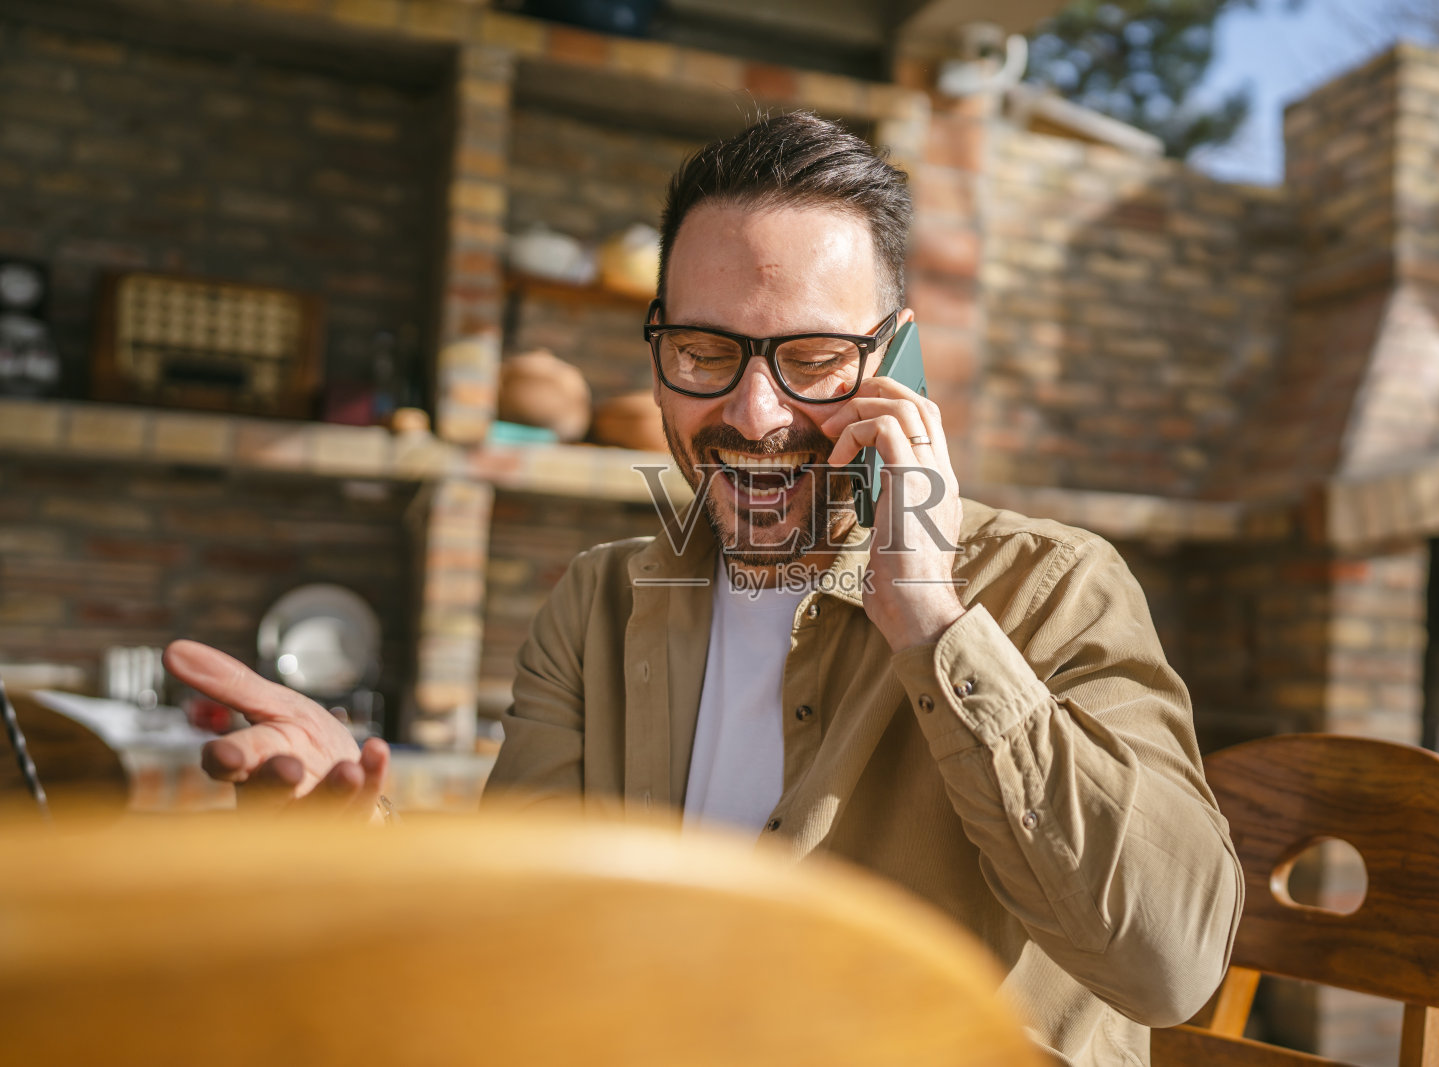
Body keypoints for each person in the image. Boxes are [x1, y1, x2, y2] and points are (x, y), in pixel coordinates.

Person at [164, 112, 1241, 1064]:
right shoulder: (598, 603)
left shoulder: (1053, 586)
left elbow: (1171, 965)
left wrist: (928, 612)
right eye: (702, 349)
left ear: (898, 363)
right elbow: (532, 916)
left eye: (813, 358)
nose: (754, 413)